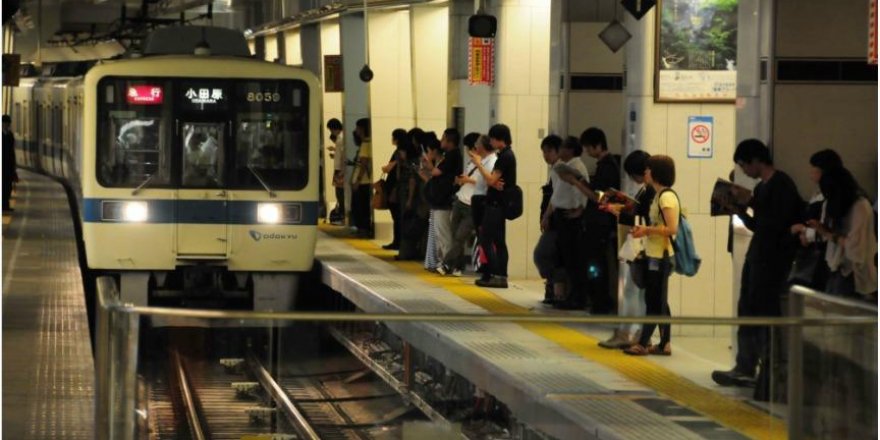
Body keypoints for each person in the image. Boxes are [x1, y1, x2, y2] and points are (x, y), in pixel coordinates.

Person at [712, 139, 802, 391]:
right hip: (757, 256)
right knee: (747, 311)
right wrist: (739, 209)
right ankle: (745, 365)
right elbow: (758, 225)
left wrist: (750, 202)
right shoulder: (763, 188)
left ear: (756, 160)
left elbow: (774, 225)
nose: (744, 171)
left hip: (772, 261)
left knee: (764, 313)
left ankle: (767, 369)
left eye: (743, 165)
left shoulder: (781, 185)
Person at [623, 155, 679, 356]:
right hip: (655, 253)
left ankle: (643, 342)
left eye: (649, 169)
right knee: (658, 300)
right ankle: (664, 343)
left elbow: (672, 228)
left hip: (661, 256)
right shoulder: (658, 195)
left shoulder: (666, 197)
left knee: (654, 301)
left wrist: (646, 231)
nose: (645, 172)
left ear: (656, 172)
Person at [597, 150, 653, 348]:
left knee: (634, 291)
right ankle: (634, 333)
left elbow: (643, 216)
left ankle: (630, 333)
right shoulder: (649, 191)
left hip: (644, 247)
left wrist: (618, 209)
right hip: (645, 246)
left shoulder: (651, 192)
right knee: (636, 292)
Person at [812, 167, 877, 299]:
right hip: (838, 267)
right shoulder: (843, 205)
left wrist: (827, 233)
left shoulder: (860, 207)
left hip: (852, 271)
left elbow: (855, 248)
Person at [542, 137, 589, 309]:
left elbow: (583, 190)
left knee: (574, 260)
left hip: (571, 217)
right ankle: (567, 295)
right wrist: (547, 215)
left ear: (570, 150)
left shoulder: (576, 167)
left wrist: (580, 209)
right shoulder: (561, 167)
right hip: (560, 215)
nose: (560, 151)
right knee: (564, 258)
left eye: (562, 148)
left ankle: (577, 298)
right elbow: (556, 195)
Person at [788, 149, 844, 289]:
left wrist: (804, 231)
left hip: (828, 257)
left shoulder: (833, 197)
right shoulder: (819, 193)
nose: (811, 173)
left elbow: (828, 228)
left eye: (815, 170)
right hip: (819, 253)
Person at [471, 124, 516, 288]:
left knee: (487, 238)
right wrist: (493, 182)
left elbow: (490, 180)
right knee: (498, 241)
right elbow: (494, 181)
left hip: (496, 205)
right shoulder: (505, 155)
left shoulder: (505, 157)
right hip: (498, 203)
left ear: (500, 139)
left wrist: (478, 164)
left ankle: (496, 274)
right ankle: (499, 276)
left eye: (492, 138)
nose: (490, 141)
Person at [581, 127, 620, 314]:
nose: (587, 153)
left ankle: (600, 300)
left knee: (597, 264)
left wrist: (577, 183)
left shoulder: (608, 166)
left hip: (601, 225)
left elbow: (599, 197)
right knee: (596, 263)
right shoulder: (605, 165)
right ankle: (598, 299)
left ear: (597, 145)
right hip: (599, 224)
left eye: (589, 148)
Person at [439, 132, 487, 276]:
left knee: (460, 236)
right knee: (455, 237)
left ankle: (446, 264)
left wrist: (467, 180)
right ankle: (458, 267)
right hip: (460, 200)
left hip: (472, 205)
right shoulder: (471, 162)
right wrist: (461, 181)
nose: (467, 150)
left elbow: (487, 183)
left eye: (469, 147)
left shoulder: (488, 162)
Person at [425, 129, 463, 269]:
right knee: (441, 233)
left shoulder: (453, 155)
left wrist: (428, 160)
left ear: (449, 141)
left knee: (444, 233)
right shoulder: (450, 155)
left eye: (443, 138)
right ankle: (443, 261)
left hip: (444, 199)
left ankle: (447, 263)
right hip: (441, 199)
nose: (441, 141)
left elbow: (436, 172)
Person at [534, 135, 564, 304]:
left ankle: (555, 288)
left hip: (558, 221)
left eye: (549, 151)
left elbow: (556, 196)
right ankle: (554, 288)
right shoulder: (554, 169)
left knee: (543, 254)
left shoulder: (560, 169)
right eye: (543, 152)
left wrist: (546, 216)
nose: (546, 155)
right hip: (555, 221)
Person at [396, 134, 428, 260]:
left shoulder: (412, 164)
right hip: (418, 197)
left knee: (408, 224)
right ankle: (416, 251)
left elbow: (412, 181)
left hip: (412, 197)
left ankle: (406, 252)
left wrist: (409, 199)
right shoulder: (416, 161)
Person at [381, 129, 408, 250]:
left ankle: (397, 242)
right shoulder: (406, 152)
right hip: (399, 187)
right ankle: (398, 241)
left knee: (397, 216)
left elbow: (388, 168)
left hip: (395, 187)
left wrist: (385, 167)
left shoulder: (398, 153)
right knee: (398, 216)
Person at [350, 118, 373, 238]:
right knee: (363, 206)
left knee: (361, 207)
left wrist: (357, 181)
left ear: (362, 129)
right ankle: (364, 229)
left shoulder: (365, 144)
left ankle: (363, 229)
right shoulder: (369, 143)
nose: (356, 130)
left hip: (363, 181)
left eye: (357, 127)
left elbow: (363, 163)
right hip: (365, 181)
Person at [327, 118, 345, 225]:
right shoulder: (340, 138)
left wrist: (342, 170)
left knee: (340, 194)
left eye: (331, 130)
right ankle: (342, 216)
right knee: (339, 193)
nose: (331, 132)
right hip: (339, 168)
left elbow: (343, 154)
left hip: (340, 170)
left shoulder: (341, 138)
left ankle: (342, 217)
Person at [2, 114, 18, 212]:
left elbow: (12, 151)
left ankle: (6, 205)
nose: (6, 125)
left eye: (7, 123)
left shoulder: (10, 135)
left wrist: (14, 166)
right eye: (4, 123)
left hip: (8, 165)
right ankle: (3, 205)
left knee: (8, 186)